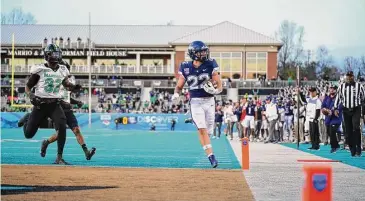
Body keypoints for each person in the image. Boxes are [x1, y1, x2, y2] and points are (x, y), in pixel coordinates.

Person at [19, 44, 81, 164]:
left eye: (57, 53)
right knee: (28, 134)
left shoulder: (63, 69)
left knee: (62, 126)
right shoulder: (39, 69)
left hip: (54, 104)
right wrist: (31, 95)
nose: (55, 56)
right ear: (47, 55)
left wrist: (73, 87)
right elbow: (27, 86)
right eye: (53, 54)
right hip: (40, 105)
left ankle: (59, 157)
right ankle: (27, 119)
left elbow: (65, 83)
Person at [172, 41, 223, 168]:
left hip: (209, 101)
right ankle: (211, 156)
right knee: (202, 129)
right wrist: (176, 94)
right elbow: (179, 85)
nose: (204, 53)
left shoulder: (211, 64)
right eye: (201, 51)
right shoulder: (185, 66)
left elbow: (220, 85)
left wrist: (216, 90)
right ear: (193, 54)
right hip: (195, 102)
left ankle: (194, 120)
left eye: (205, 51)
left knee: (209, 132)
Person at [40, 60, 96, 160]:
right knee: (59, 135)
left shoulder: (67, 82)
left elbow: (67, 98)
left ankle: (86, 152)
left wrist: (77, 102)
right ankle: (48, 143)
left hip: (68, 111)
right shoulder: (54, 82)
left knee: (77, 130)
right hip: (58, 111)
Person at [334, 71, 364, 157]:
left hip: (356, 109)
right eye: (348, 76)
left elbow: (363, 97)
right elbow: (338, 98)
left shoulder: (359, 86)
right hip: (346, 110)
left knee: (356, 127)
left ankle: (358, 147)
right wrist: (335, 108)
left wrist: (360, 106)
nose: (349, 78)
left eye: (351, 76)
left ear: (353, 77)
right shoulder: (342, 86)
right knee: (348, 130)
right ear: (346, 77)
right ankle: (352, 148)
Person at [321, 85, 342, 153]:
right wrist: (324, 109)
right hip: (328, 118)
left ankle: (333, 147)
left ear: (336, 90)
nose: (332, 90)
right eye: (331, 88)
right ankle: (337, 145)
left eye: (333, 89)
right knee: (329, 132)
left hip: (336, 118)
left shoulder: (338, 98)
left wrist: (332, 111)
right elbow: (323, 105)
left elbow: (340, 107)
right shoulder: (327, 98)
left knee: (332, 132)